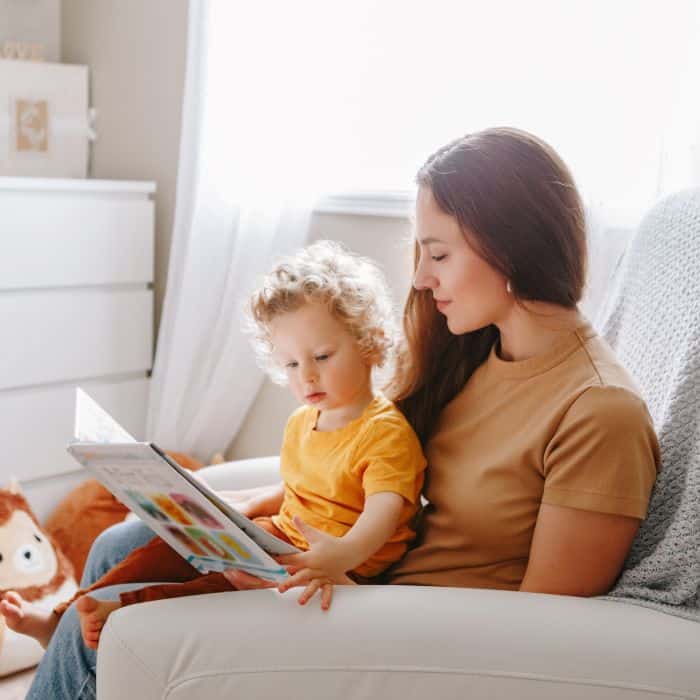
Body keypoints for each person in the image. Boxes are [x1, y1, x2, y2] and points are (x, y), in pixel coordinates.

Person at [12, 127, 660, 700]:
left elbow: (547, 638)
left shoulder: (598, 412)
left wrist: (342, 581)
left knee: (131, 620)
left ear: (510, 246)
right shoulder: (478, 355)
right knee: (120, 540)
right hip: (358, 577)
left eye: (439, 255)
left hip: (406, 621)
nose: (424, 280)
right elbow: (359, 467)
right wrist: (221, 506)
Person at [0, 241, 426, 648]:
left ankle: (120, 612)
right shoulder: (304, 421)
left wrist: (339, 556)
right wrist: (232, 506)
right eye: (292, 363)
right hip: (282, 541)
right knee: (170, 546)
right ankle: (60, 618)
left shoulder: (384, 433)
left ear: (368, 341)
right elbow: (300, 488)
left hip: (339, 568)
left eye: (323, 356)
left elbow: (382, 515)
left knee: (220, 584)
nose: (306, 376)